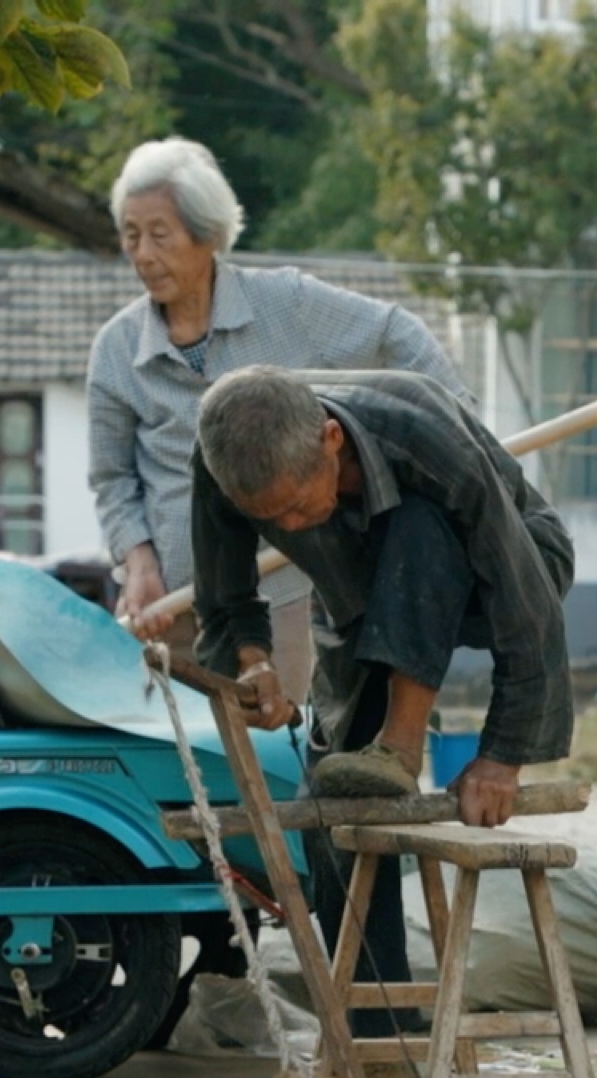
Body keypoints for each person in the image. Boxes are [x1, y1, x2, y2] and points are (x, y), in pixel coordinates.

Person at [143, 365, 575, 1035]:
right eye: (272, 520)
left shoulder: (429, 441)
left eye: (297, 505)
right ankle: (381, 1040)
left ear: (333, 438)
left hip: (517, 569)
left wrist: (502, 757)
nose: (288, 527)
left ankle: (401, 743)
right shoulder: (222, 454)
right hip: (360, 601)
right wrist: (254, 666)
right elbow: (223, 598)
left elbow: (530, 611)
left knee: (421, 526)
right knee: (337, 806)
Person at [88, 137, 470, 703]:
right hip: (175, 608)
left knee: (287, 759)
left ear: (208, 233)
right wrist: (137, 558)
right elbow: (113, 479)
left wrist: (461, 437)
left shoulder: (286, 304)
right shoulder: (117, 350)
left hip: (287, 594)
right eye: (131, 234)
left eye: (160, 235)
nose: (143, 253)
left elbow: (397, 334)